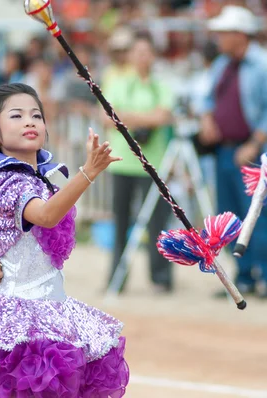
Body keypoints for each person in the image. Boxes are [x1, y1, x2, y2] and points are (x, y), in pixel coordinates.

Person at [0, 78, 129, 397]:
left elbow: (27, 237)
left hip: (53, 309)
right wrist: (87, 173)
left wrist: (7, 262)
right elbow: (47, 216)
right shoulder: (7, 182)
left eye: (36, 115)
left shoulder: (38, 181)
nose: (30, 122)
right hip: (21, 318)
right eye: (16, 116)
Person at [201, 5, 267, 299]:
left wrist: (254, 142)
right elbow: (206, 97)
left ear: (240, 35)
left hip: (254, 150)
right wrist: (208, 119)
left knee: (258, 215)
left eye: (224, 33)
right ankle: (245, 275)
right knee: (230, 217)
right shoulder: (221, 65)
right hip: (225, 150)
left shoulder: (265, 65)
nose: (219, 38)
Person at [102, 32, 175, 295]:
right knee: (120, 222)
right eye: (138, 52)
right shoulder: (118, 82)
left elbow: (164, 116)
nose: (142, 57)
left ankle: (161, 277)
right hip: (121, 161)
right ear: (131, 55)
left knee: (158, 222)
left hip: (152, 163)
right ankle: (117, 277)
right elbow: (108, 117)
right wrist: (147, 118)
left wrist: (129, 117)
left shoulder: (160, 85)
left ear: (153, 55)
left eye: (147, 52)